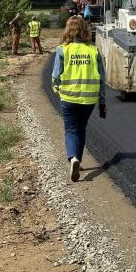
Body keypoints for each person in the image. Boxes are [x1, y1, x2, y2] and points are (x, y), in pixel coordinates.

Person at [51, 16, 107, 182]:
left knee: (70, 129)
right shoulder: (93, 50)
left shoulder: (63, 49)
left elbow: (55, 75)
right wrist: (102, 102)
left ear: (68, 29)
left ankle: (73, 158)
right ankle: (79, 161)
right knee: (81, 128)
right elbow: (102, 78)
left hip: (68, 97)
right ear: (85, 30)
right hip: (89, 99)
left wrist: (57, 90)